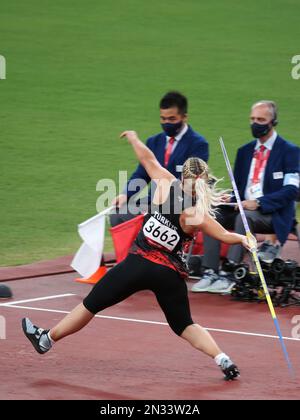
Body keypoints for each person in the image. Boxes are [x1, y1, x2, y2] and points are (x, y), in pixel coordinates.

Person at [22, 130, 255, 381]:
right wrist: (244, 239)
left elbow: (148, 160)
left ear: (182, 175)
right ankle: (223, 359)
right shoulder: (197, 213)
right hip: (169, 275)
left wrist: (134, 139)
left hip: (136, 264)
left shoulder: (166, 183)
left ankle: (46, 339)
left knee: (90, 305)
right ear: (204, 181)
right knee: (184, 325)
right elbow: (223, 235)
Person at [192, 100, 300, 294]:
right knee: (210, 214)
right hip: (243, 207)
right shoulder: (244, 152)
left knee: (244, 217)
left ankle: (232, 271)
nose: (255, 123)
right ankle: (210, 271)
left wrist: (258, 202)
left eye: (260, 119)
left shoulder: (290, 151)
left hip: (271, 214)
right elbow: (239, 188)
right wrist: (229, 197)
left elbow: (292, 191)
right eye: (252, 119)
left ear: (273, 121)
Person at [110, 91, 209, 226]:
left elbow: (190, 183)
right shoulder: (154, 142)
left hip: (179, 206)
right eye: (163, 118)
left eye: (172, 119)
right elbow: (141, 174)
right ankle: (133, 248)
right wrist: (125, 194)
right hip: (153, 203)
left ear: (184, 117)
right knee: (118, 214)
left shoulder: (198, 144)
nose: (166, 122)